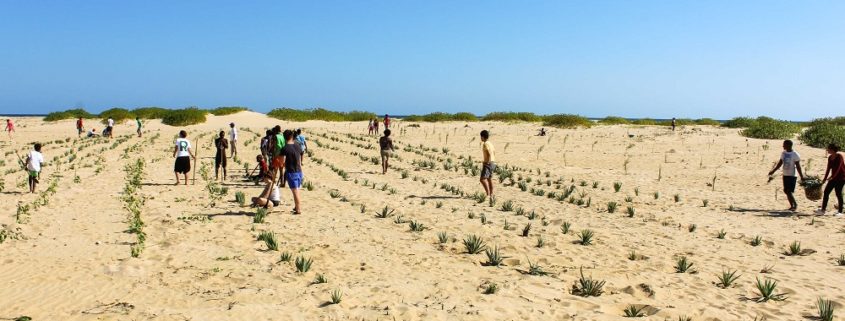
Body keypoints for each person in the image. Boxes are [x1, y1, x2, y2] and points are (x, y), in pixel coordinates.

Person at [768, 140, 805, 211]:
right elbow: (780, 163)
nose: (783, 146)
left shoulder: (795, 154)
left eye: (784, 145)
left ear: (789, 145)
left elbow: (798, 166)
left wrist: (801, 176)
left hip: (792, 175)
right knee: (786, 190)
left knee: (788, 191)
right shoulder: (783, 153)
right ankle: (792, 205)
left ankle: (794, 204)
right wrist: (773, 171)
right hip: (785, 174)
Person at [817, 143, 845, 216]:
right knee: (826, 192)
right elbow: (828, 169)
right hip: (833, 177)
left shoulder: (839, 156)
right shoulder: (829, 157)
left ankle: (840, 211)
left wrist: (832, 176)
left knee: (838, 193)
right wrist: (824, 179)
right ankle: (823, 209)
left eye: (828, 148)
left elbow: (839, 168)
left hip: (841, 178)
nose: (827, 150)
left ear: (832, 150)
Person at [280, 129, 303, 214]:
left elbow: (282, 162)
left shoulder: (284, 148)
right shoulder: (297, 145)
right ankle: (296, 206)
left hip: (291, 171)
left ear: (284, 137)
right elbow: (300, 159)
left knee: (295, 191)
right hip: (299, 171)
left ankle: (298, 209)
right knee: (297, 190)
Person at [480, 130, 496, 198]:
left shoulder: (485, 143)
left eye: (481, 136)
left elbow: (489, 153)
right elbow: (494, 152)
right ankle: (491, 193)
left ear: (483, 137)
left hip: (488, 163)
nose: (480, 138)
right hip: (493, 162)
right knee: (489, 178)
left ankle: (488, 194)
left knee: (482, 179)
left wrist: (487, 161)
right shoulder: (490, 143)